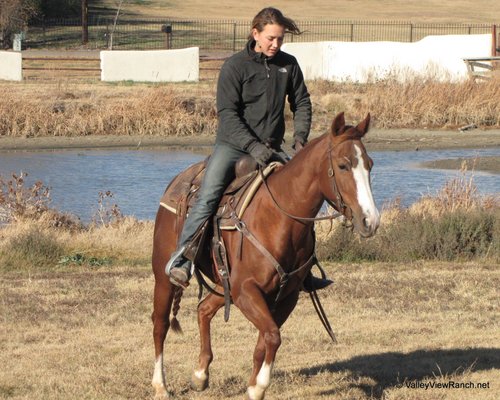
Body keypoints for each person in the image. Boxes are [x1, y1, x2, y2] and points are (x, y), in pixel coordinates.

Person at [166, 7, 328, 291]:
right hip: (232, 147)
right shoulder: (235, 66)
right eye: (271, 38)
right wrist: (252, 146)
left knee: (302, 196)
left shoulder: (288, 65)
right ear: (255, 34)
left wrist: (300, 139)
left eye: (280, 39)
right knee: (207, 197)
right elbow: (228, 115)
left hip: (271, 148)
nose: (276, 44)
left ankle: (304, 267)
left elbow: (301, 101)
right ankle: (182, 261)